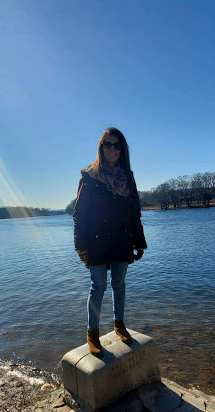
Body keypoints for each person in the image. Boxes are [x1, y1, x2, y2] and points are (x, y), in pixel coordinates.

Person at [73, 127, 147, 357]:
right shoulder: (90, 176)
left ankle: (119, 325)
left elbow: (135, 211)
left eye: (116, 145)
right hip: (96, 240)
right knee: (98, 286)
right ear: (101, 148)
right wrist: (80, 246)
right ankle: (92, 334)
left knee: (119, 284)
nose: (112, 149)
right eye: (108, 144)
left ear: (122, 149)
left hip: (122, 238)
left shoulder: (128, 176)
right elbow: (80, 214)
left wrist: (139, 241)